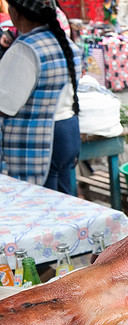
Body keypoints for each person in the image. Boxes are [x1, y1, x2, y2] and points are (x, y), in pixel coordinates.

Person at [0, 0, 81, 194]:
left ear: (15, 13)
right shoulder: (64, 42)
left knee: (42, 207)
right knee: (63, 205)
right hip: (67, 132)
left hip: (39, 140)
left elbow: (6, 104)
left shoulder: (26, 49)